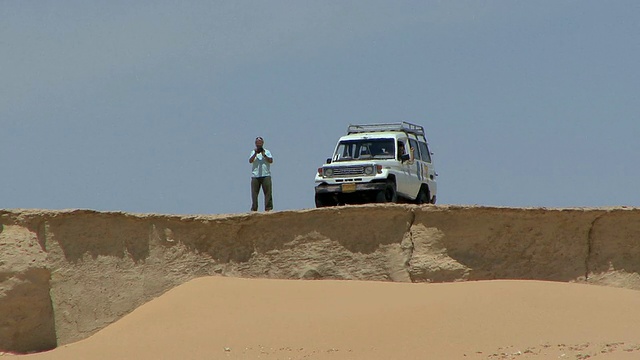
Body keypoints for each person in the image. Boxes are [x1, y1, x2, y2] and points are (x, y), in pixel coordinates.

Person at [249, 136, 273, 211]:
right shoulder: (253, 152)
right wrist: (255, 153)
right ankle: (254, 208)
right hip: (256, 175)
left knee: (268, 193)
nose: (258, 144)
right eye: (257, 143)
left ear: (262, 143)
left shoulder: (267, 151)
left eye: (260, 143)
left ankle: (268, 208)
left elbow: (271, 161)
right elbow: (250, 161)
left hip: (266, 175)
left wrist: (264, 155)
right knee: (254, 194)